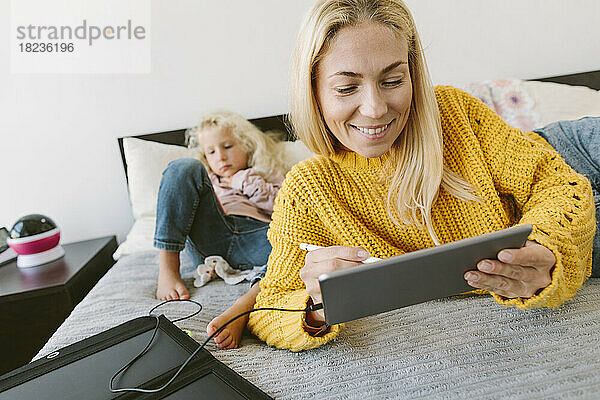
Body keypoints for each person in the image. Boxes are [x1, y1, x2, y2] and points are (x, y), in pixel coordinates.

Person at [246, 0, 598, 352]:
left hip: (565, 146)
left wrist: (548, 246)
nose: (375, 109)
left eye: (393, 80)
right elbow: (269, 305)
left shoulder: (456, 114)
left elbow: (556, 182)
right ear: (313, 92)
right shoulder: (308, 189)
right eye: (346, 88)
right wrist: (315, 308)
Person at [153, 110, 287, 349]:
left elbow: (284, 208)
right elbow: (180, 203)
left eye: (227, 146)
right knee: (182, 167)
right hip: (212, 236)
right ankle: (168, 267)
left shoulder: (263, 175)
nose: (221, 157)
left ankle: (243, 308)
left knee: (301, 241)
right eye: (211, 152)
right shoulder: (205, 180)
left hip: (257, 236)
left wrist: (243, 179)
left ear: (247, 146)